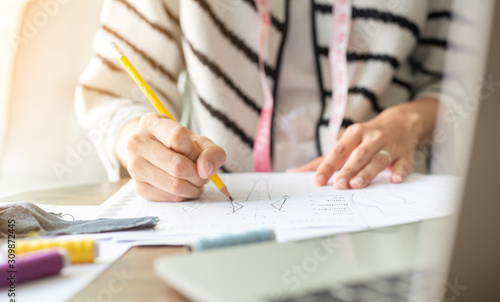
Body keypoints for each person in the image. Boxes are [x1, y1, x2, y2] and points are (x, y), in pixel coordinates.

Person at [76, 0, 453, 202]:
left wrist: (412, 120)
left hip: (384, 203)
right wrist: (139, 145)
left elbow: (470, 84)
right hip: (221, 212)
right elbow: (114, 94)